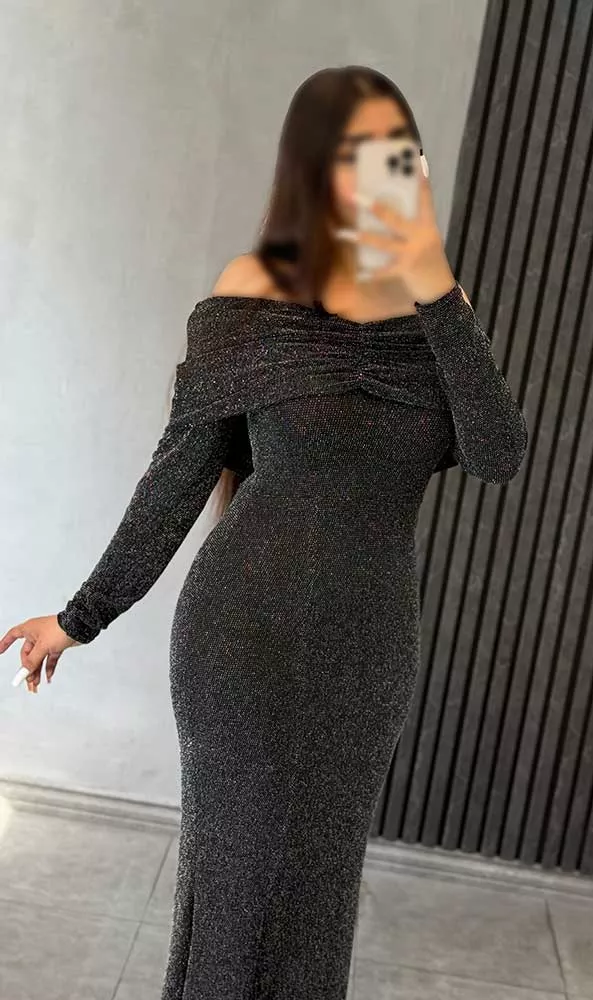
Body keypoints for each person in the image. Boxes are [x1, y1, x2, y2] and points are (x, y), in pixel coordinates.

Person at [1, 65, 527, 999]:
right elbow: (177, 478)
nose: (380, 175)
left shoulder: (442, 317)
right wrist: (79, 618)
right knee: (234, 890)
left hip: (368, 646)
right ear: (315, 169)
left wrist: (434, 282)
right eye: (359, 155)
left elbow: (498, 454)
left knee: (318, 899)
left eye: (398, 154)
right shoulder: (252, 297)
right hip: (241, 638)